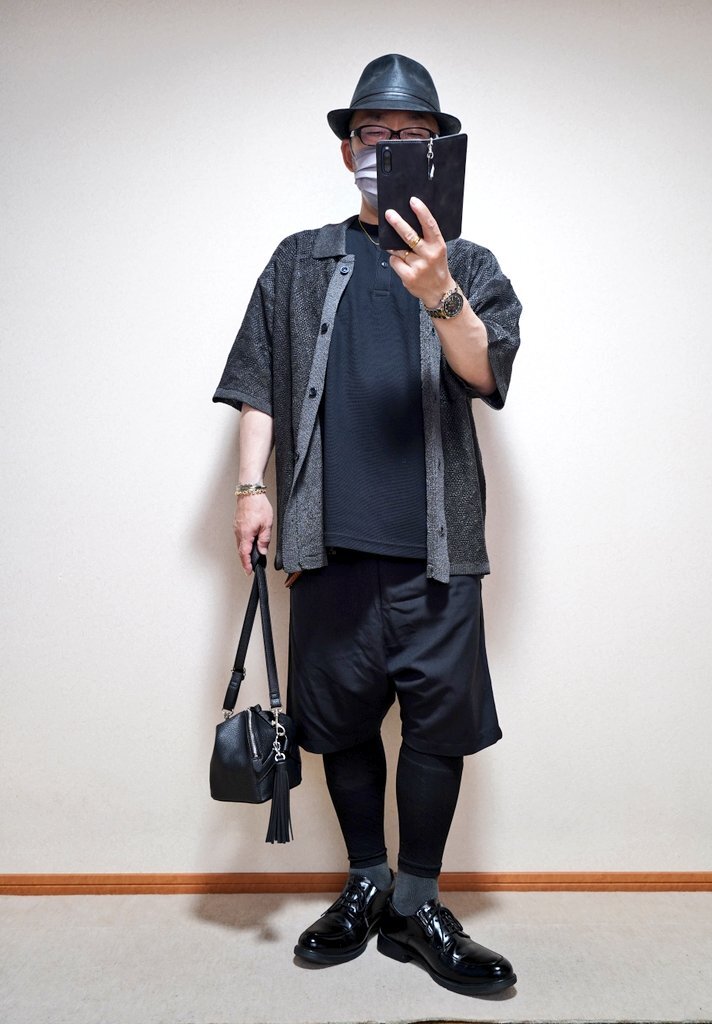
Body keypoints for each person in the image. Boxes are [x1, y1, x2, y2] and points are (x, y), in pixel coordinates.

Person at [213, 53, 522, 996]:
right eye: (374, 134)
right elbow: (259, 382)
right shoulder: (299, 259)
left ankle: (417, 907)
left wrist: (439, 292)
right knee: (340, 724)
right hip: (329, 541)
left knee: (437, 729)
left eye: (413, 137)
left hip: (436, 550)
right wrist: (251, 489)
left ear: (439, 152)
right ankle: (367, 884)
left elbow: (485, 370)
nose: (389, 147)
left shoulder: (468, 265)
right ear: (349, 150)